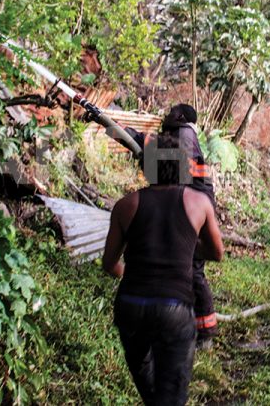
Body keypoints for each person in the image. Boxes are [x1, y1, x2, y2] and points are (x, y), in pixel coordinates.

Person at [102, 133, 224, 406]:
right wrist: (186, 248)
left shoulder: (126, 205)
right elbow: (217, 253)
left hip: (130, 306)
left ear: (147, 167)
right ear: (183, 167)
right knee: (171, 395)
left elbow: (109, 263)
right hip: (174, 310)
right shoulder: (199, 203)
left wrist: (135, 276)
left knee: (151, 389)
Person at [124, 104, 219, 348]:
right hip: (188, 205)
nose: (165, 115)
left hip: (193, 209)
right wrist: (119, 131)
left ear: (180, 117)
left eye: (170, 112)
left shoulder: (185, 135)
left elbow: (170, 167)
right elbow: (153, 145)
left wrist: (140, 147)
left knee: (194, 268)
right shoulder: (181, 135)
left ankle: (205, 330)